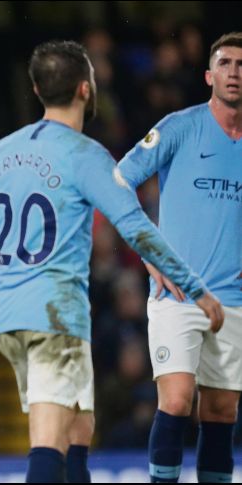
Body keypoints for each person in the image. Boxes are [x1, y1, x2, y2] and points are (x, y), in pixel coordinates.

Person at [0, 40, 225, 484]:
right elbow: (135, 226)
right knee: (48, 439)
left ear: (37, 89)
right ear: (86, 88)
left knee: (78, 428)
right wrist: (194, 288)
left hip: (7, 315)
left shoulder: (0, 153)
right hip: (54, 316)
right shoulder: (86, 156)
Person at [117, 32, 242, 484]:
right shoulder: (179, 127)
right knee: (176, 400)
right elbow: (118, 182)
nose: (235, 72)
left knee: (222, 411)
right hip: (177, 295)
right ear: (210, 75)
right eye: (226, 63)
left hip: (235, 301)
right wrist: (148, 254)